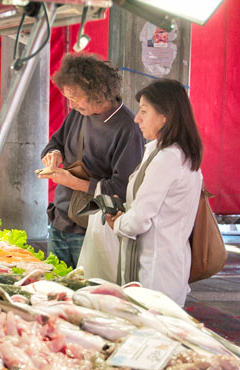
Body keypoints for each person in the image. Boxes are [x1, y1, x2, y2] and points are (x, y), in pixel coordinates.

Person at [40, 53, 144, 268]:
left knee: (88, 292)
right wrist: (53, 154)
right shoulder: (79, 114)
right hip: (60, 219)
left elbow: (123, 187)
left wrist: (72, 182)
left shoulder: (127, 127)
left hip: (93, 228)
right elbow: (56, 142)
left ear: (97, 90)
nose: (70, 105)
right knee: (52, 290)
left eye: (75, 97)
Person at [106, 79, 203, 306]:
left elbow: (140, 219)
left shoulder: (168, 158)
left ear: (165, 116)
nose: (136, 118)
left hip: (157, 271)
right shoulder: (162, 151)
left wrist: (118, 223)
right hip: (164, 264)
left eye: (144, 112)